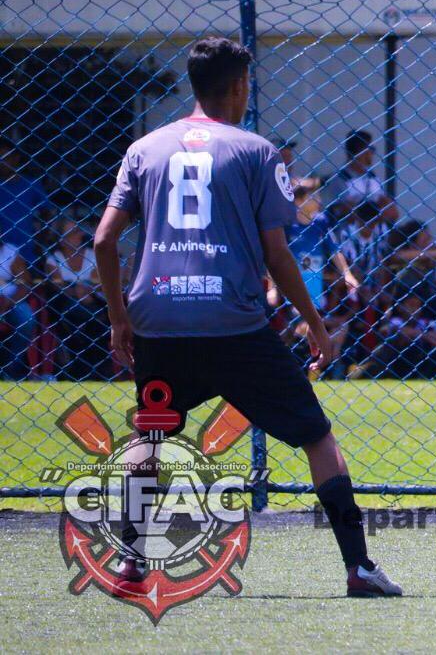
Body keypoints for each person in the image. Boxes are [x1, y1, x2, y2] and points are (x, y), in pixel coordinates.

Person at [92, 36, 401, 597]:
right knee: (318, 438)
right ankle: (358, 567)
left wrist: (119, 317)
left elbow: (104, 240)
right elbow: (277, 253)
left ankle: (132, 565)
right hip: (234, 324)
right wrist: (316, 322)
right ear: (239, 86)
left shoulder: (143, 149)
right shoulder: (258, 151)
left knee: (152, 433)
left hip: (159, 319)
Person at [274, 181, 357, 379]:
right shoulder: (287, 227)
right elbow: (274, 256)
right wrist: (272, 286)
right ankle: (300, 370)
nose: (319, 201)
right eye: (313, 197)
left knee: (335, 328)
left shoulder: (319, 224)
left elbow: (334, 251)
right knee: (301, 327)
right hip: (292, 292)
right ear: (299, 201)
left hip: (316, 292)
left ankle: (325, 367)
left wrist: (347, 274)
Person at [45, 219, 110, 379]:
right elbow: (57, 285)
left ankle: (94, 369)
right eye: (73, 233)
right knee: (77, 313)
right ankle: (81, 369)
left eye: (79, 231)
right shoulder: (54, 258)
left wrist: (84, 290)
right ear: (62, 239)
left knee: (93, 316)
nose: (79, 235)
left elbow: (97, 282)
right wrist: (77, 290)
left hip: (92, 302)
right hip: (65, 304)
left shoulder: (92, 254)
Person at [323, 129, 399, 224]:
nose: (372, 153)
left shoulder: (372, 176)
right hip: (348, 234)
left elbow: (392, 212)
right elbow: (349, 214)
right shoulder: (340, 178)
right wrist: (376, 212)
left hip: (373, 234)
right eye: (371, 149)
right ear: (362, 151)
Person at [0, 135, 53, 262]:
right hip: (2, 247)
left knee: (28, 279)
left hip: (26, 246)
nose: (1, 163)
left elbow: (47, 212)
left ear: (16, 159)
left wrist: (41, 238)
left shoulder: (31, 184)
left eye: (4, 158)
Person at [0, 238, 35, 379]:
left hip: (10, 300)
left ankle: (10, 371)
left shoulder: (10, 251)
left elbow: (24, 283)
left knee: (27, 319)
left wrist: (7, 303)